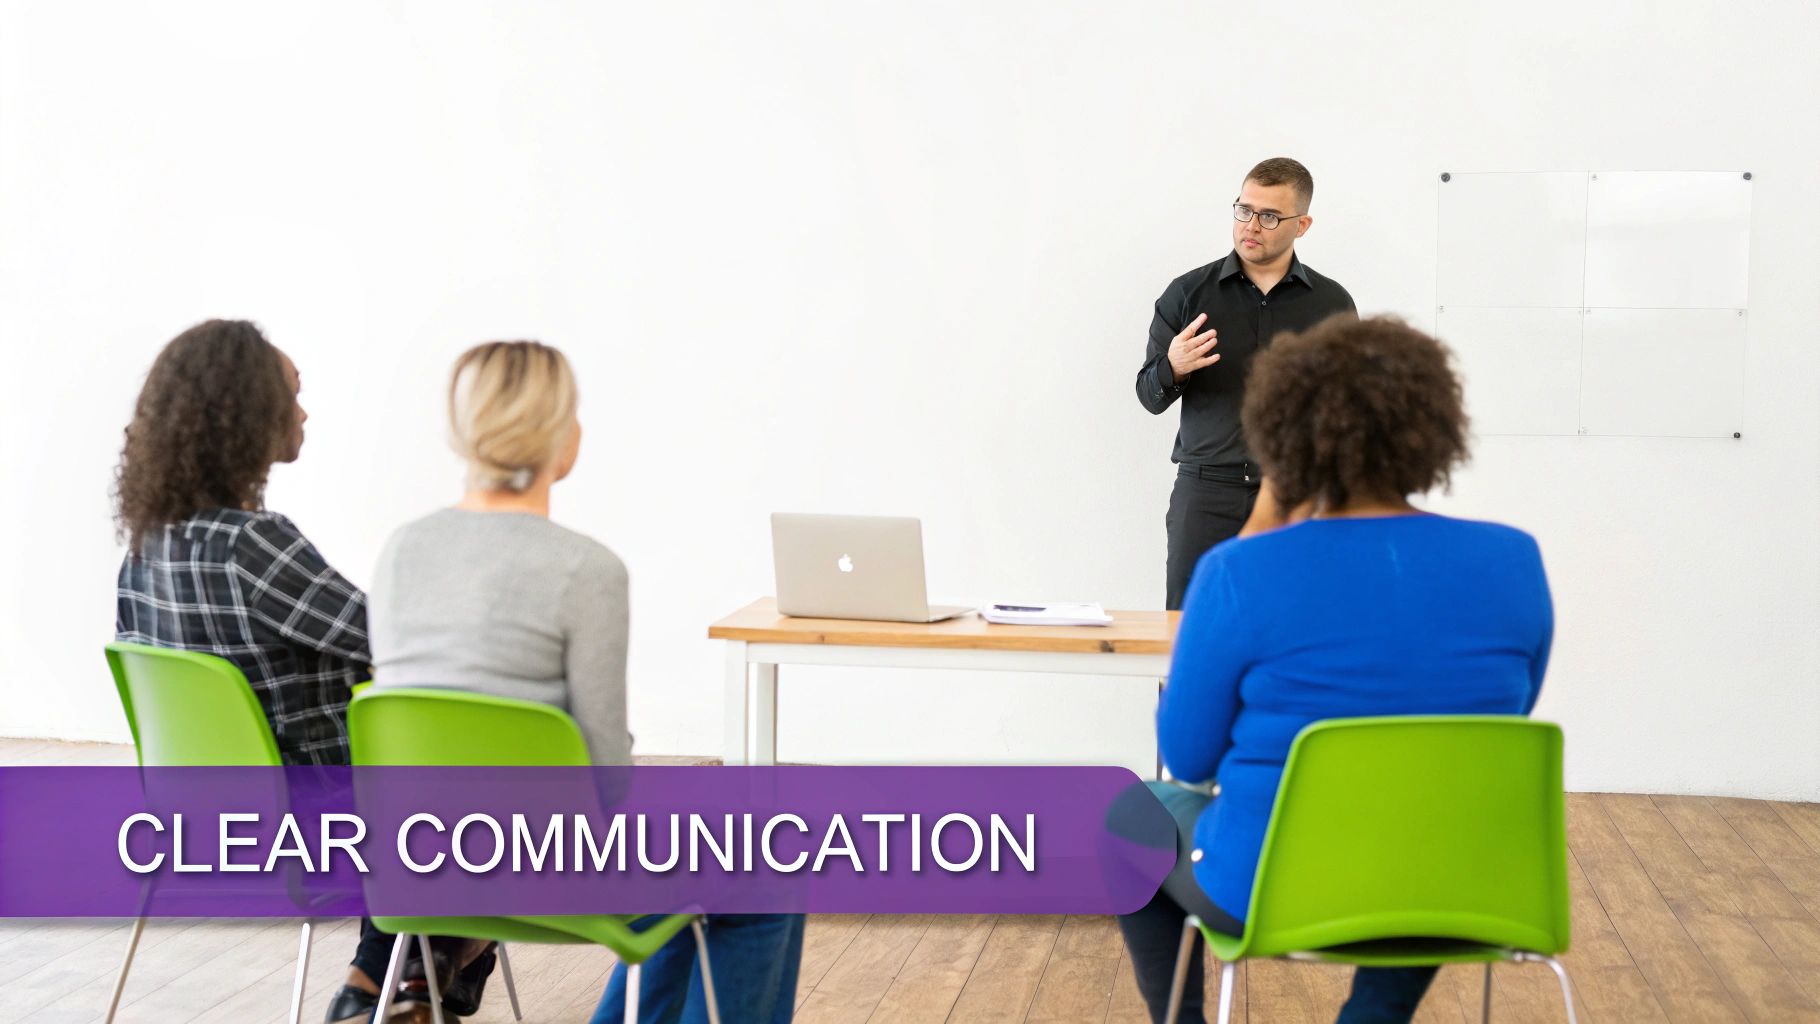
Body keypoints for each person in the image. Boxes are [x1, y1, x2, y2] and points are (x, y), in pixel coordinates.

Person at [1116, 316, 1554, 1023]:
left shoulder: (1241, 572)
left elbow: (1190, 758)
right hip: (1461, 884)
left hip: (1274, 887)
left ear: (1283, 435)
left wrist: (1266, 514)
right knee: (1422, 828)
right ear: (1432, 429)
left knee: (1126, 812)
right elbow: (1492, 724)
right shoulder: (1514, 561)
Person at [365, 340, 805, 1024]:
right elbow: (606, 782)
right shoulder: (586, 570)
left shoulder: (400, 550)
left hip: (415, 864)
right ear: (563, 441)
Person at [111, 319, 484, 1024]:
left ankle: (404, 976)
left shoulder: (146, 544)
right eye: (291, 396)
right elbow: (393, 638)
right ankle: (410, 968)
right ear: (243, 415)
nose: (304, 412)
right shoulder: (254, 544)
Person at [1134, 157, 1356, 610]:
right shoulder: (1188, 293)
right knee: (1190, 637)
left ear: (1303, 224)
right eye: (1244, 210)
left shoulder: (1332, 304)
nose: (1251, 225)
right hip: (1206, 494)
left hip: (1296, 494)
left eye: (1270, 216)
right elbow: (1147, 395)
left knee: (1296, 631)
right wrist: (1172, 367)